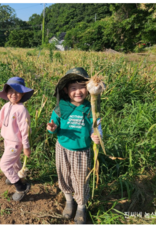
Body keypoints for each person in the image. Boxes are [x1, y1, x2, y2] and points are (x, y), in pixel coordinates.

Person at [47, 67, 103, 224]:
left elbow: (97, 127)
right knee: (64, 176)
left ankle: (81, 207)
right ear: (66, 90)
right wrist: (52, 129)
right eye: (73, 88)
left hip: (82, 151)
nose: (78, 92)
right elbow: (54, 127)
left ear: (89, 89)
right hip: (62, 148)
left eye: (82, 87)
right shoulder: (60, 108)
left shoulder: (91, 107)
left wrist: (97, 137)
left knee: (80, 180)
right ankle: (69, 201)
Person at [0, 77, 34, 201]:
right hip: (7, 141)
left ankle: (21, 187)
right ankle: (19, 177)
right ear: (6, 93)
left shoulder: (21, 110)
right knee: (14, 163)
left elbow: (25, 131)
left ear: (22, 94)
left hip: (15, 143)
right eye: (11, 91)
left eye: (17, 91)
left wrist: (26, 146)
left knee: (4, 165)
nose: (13, 94)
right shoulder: (6, 106)